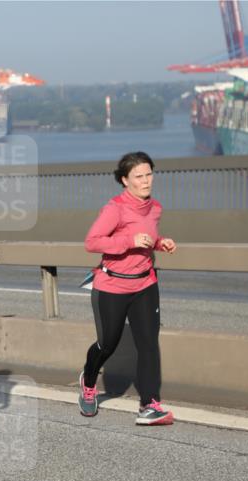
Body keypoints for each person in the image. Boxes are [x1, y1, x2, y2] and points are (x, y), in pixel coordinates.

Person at [77, 151, 177, 425]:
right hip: (112, 285)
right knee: (108, 343)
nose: (146, 181)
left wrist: (160, 243)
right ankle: (88, 380)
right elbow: (92, 242)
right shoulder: (115, 209)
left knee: (148, 344)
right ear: (125, 180)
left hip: (145, 283)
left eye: (149, 174)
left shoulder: (154, 208)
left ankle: (149, 405)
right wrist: (130, 240)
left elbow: (148, 237)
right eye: (139, 176)